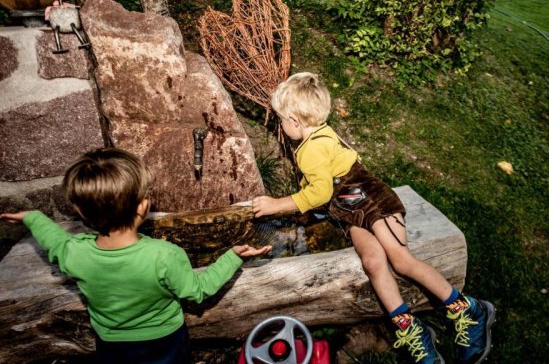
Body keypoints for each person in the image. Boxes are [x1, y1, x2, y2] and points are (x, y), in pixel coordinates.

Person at [252, 73, 495, 364]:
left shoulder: (311, 149)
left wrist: (276, 205)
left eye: (281, 119)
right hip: (352, 211)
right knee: (372, 262)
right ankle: (412, 329)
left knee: (401, 260)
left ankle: (467, 309)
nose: (281, 125)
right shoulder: (318, 135)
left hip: (373, 202)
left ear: (295, 120)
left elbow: (319, 192)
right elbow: (323, 185)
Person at [0, 148, 271, 364]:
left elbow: (54, 240)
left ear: (83, 214)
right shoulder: (164, 255)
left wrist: (33, 218)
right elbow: (197, 291)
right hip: (165, 342)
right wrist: (233, 257)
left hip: (111, 344)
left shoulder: (75, 253)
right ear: (142, 207)